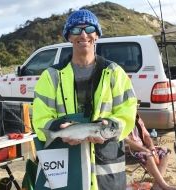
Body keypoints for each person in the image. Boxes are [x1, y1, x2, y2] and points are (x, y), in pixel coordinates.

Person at [32, 9, 137, 190]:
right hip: (66, 159)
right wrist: (57, 128)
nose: (83, 34)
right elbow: (40, 118)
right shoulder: (50, 76)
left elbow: (128, 111)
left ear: (96, 35)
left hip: (106, 161)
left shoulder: (114, 72)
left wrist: (112, 123)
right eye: (75, 30)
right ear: (69, 37)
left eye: (89, 29)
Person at [126, 114, 176, 190]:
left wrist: (152, 147)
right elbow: (127, 141)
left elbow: (147, 136)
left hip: (143, 148)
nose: (137, 107)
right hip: (129, 151)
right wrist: (145, 149)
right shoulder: (123, 120)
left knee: (165, 151)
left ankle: (156, 186)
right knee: (148, 155)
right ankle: (164, 185)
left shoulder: (137, 118)